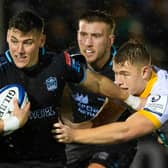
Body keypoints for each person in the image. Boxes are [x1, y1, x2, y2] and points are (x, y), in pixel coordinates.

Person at [0, 10, 141, 168]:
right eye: (14, 41)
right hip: (9, 161)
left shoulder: (58, 63)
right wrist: (10, 123)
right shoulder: (2, 69)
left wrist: (131, 99)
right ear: (7, 37)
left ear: (41, 40)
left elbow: (98, 83)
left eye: (27, 43)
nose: (19, 50)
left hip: (58, 158)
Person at [53, 41, 168, 148]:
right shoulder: (128, 88)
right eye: (116, 73)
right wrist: (70, 128)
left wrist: (73, 135)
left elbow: (126, 131)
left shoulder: (163, 92)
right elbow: (99, 123)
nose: (118, 81)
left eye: (124, 74)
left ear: (145, 72)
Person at [62, 10, 137, 168]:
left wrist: (69, 128)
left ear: (110, 40)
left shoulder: (125, 70)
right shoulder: (70, 59)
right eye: (83, 34)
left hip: (113, 140)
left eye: (96, 36)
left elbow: (102, 121)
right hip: (79, 140)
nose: (87, 43)